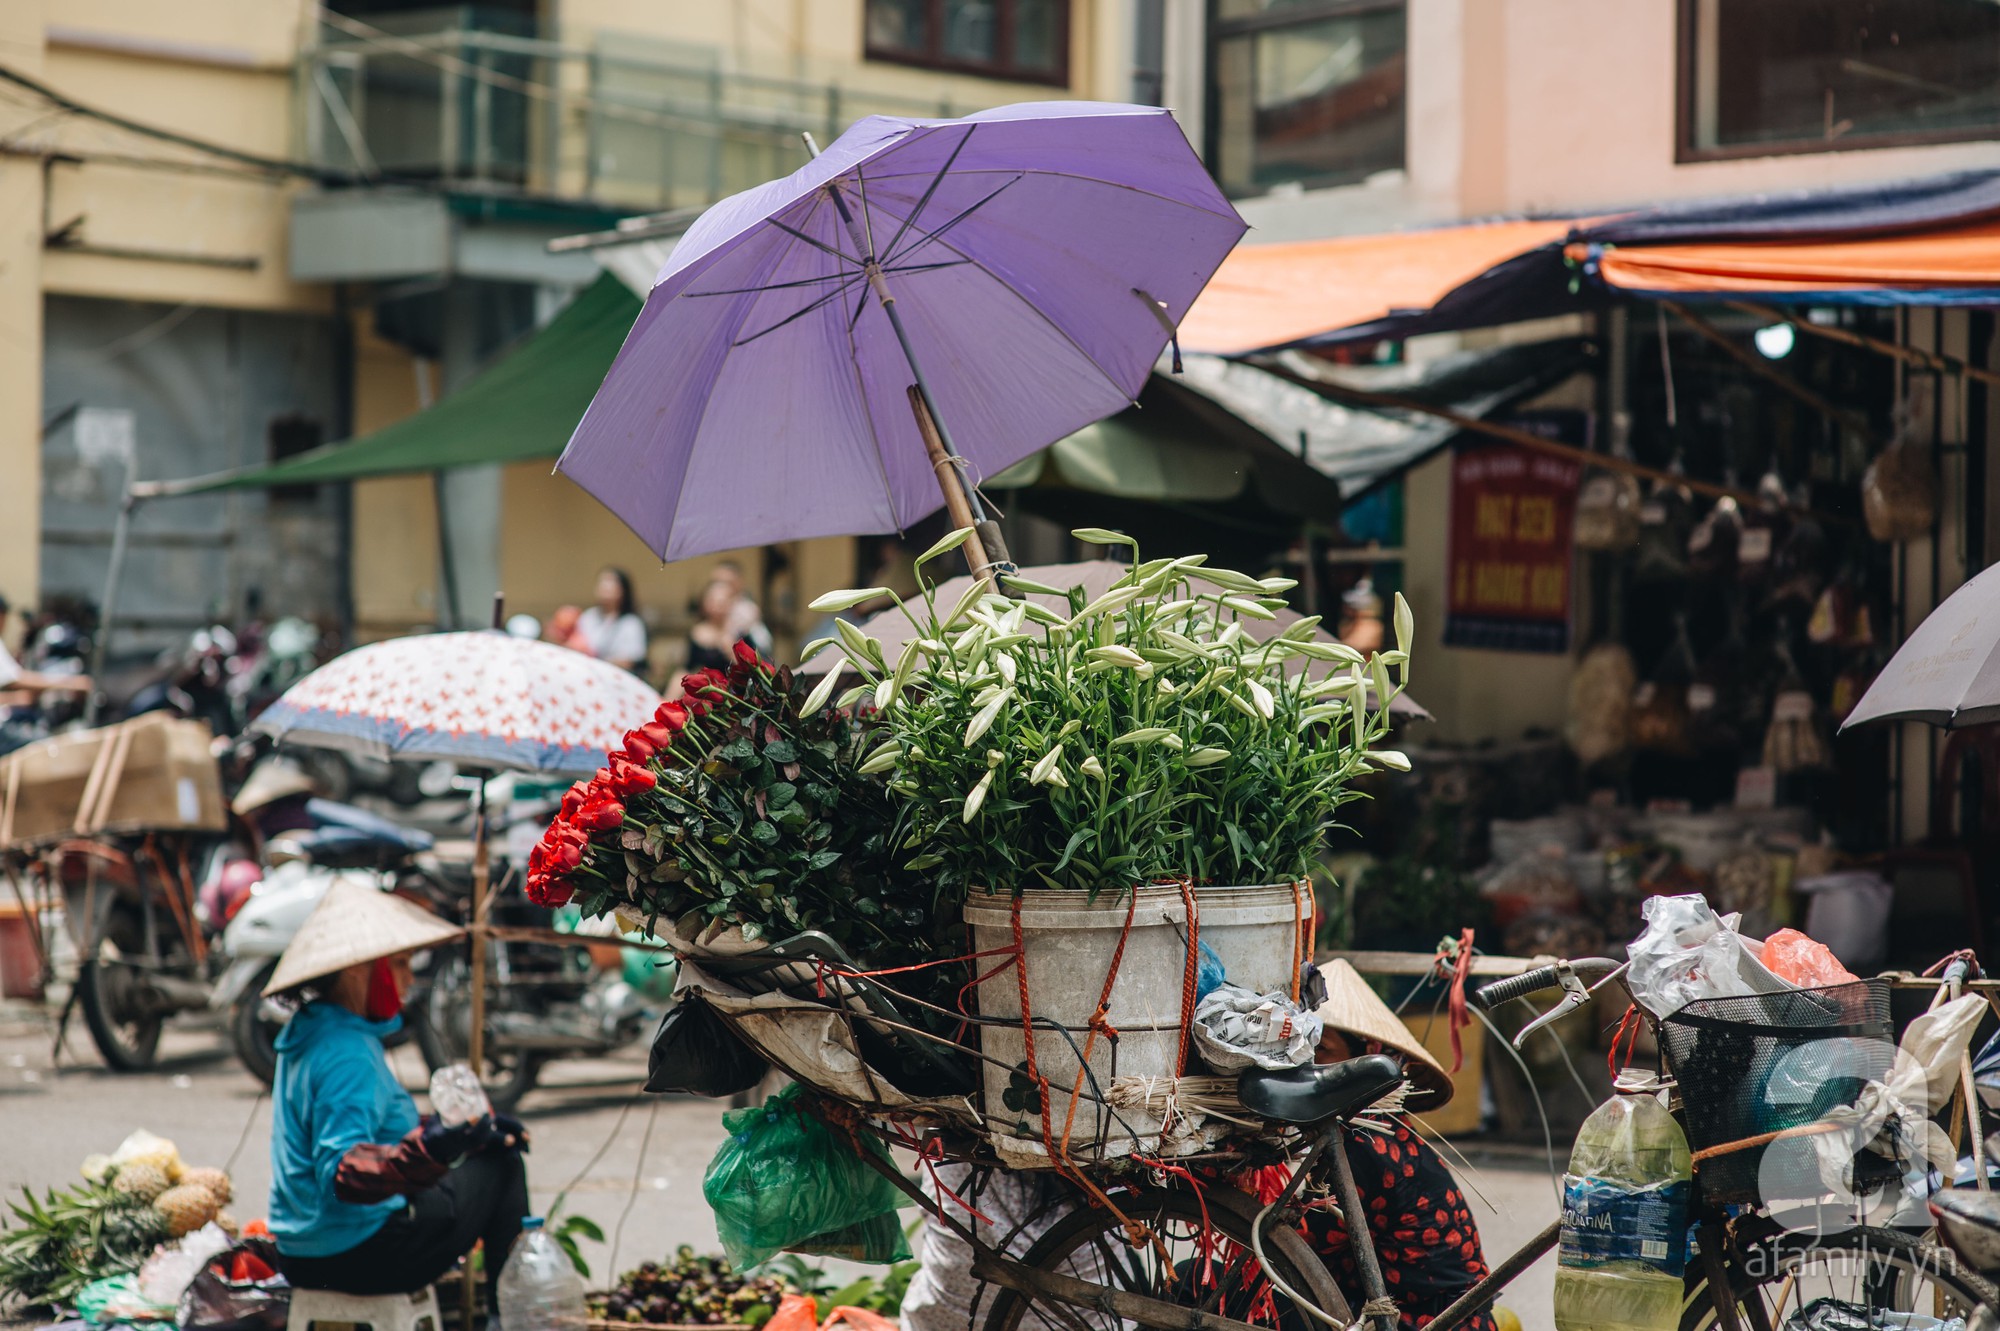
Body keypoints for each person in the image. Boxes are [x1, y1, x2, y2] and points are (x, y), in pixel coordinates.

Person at [264, 880, 530, 1301]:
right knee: (502, 1164)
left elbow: (372, 1133)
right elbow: (343, 1172)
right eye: (401, 964)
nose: (409, 979)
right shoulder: (346, 1052)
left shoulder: (312, 1029)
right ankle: (507, 1316)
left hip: (301, 1251)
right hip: (357, 1254)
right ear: (357, 967)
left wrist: (463, 1131)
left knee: (487, 1148)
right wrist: (436, 1148)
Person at [1295, 960, 1496, 1331]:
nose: (1310, 1063)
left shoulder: (1362, 1145)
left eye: (1321, 1050)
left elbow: (1303, 1242)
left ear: (1363, 1061)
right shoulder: (1386, 1130)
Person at [575, 567, 648, 673]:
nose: (605, 586)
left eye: (611, 582)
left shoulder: (631, 623)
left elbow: (631, 659)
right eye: (602, 582)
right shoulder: (588, 617)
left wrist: (600, 663)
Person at [683, 577, 751, 674]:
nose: (717, 606)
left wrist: (731, 652)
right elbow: (688, 667)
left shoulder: (741, 631)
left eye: (722, 601)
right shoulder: (696, 632)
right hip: (708, 685)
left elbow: (752, 668)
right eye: (712, 600)